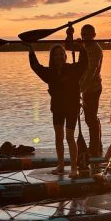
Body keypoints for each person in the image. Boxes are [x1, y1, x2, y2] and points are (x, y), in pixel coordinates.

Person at [27, 40, 87, 178]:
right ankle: (60, 165)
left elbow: (84, 63)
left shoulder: (73, 70)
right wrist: (31, 51)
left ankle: (73, 168)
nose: (59, 57)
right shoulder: (49, 73)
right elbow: (35, 66)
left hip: (72, 107)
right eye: (56, 55)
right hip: (58, 108)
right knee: (58, 136)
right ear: (52, 58)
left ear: (65, 56)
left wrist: (81, 48)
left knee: (69, 136)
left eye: (61, 54)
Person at [78, 24, 103, 156]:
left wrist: (81, 89)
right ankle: (97, 145)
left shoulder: (95, 49)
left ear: (94, 35)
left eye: (88, 35)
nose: (85, 37)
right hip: (85, 88)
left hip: (93, 88)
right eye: (83, 35)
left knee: (90, 119)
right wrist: (69, 34)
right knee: (91, 119)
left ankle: (94, 149)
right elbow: (69, 47)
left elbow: (92, 71)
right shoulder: (83, 46)